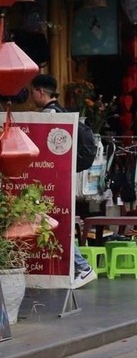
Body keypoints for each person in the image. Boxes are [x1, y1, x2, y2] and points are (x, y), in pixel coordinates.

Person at [30, 74, 97, 288]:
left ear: (41, 92)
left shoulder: (50, 116)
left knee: (53, 221)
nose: (31, 96)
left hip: (53, 181)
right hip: (63, 178)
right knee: (55, 222)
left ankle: (82, 267)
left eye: (33, 92)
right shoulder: (64, 113)